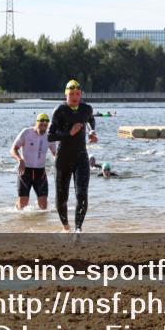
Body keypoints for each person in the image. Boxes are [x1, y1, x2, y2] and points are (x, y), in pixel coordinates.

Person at [47, 79, 97, 233]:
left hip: (81, 157)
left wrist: (92, 131)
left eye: (77, 94)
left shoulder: (86, 108)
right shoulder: (60, 110)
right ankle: (66, 227)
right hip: (63, 160)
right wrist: (69, 133)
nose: (74, 97)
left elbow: (90, 120)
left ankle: (78, 229)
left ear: (80, 94)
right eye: (71, 94)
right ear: (66, 95)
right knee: (62, 198)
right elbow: (50, 136)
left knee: (82, 194)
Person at [10, 112, 57, 210]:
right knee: (23, 206)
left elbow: (55, 153)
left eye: (46, 124)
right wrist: (20, 160)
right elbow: (13, 149)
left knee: (44, 207)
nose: (43, 126)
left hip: (40, 172)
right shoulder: (26, 132)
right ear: (36, 123)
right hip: (25, 171)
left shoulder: (50, 136)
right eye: (41, 123)